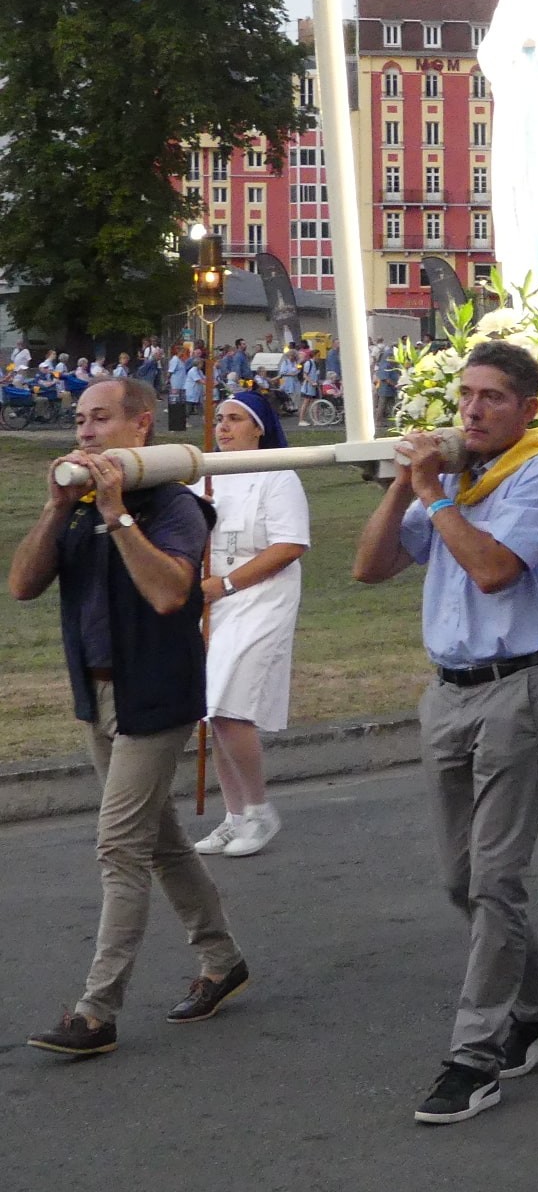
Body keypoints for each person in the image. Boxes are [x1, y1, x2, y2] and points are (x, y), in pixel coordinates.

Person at [351, 341, 538, 1125]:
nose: (473, 411)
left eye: (491, 398)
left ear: (527, 409)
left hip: (517, 689)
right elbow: (370, 569)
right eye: (465, 396)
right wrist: (399, 492)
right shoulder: (451, 478)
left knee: (494, 880)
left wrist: (436, 497)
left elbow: (492, 570)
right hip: (447, 695)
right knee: (464, 882)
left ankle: (472, 1055)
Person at [9, 378, 249, 1056]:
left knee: (119, 845)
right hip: (98, 695)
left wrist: (118, 514)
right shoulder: (76, 505)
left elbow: (171, 593)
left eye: (100, 419)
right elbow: (23, 584)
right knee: (161, 840)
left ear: (140, 425)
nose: (85, 433)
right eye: (80, 421)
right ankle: (222, 958)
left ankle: (96, 1010)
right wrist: (59, 512)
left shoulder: (176, 506)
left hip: (156, 696)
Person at [191, 392, 309, 859]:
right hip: (212, 600)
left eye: (235, 419)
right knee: (215, 709)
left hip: (260, 596)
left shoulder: (278, 474)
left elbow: (290, 544)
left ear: (258, 427)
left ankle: (260, 810)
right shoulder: (204, 476)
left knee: (230, 706)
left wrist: (229, 583)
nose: (223, 427)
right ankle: (235, 815)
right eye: (219, 419)